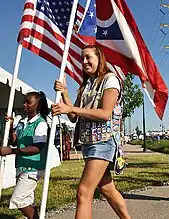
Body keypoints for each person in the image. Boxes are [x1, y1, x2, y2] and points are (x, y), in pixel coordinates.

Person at [52, 45, 131, 219]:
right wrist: (65, 93)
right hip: (89, 143)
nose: (84, 61)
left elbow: (104, 114)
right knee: (107, 188)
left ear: (99, 58)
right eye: (82, 59)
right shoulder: (86, 85)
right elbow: (74, 116)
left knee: (83, 192)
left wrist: (71, 107)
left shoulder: (110, 80)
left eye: (88, 57)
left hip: (103, 142)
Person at [0, 91, 49, 219]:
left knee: (18, 199)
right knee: (28, 200)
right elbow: (16, 141)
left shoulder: (41, 123)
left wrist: (11, 151)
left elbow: (37, 148)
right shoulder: (22, 122)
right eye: (24, 101)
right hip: (21, 166)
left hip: (32, 167)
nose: (24, 105)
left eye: (28, 102)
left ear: (37, 105)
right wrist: (11, 127)